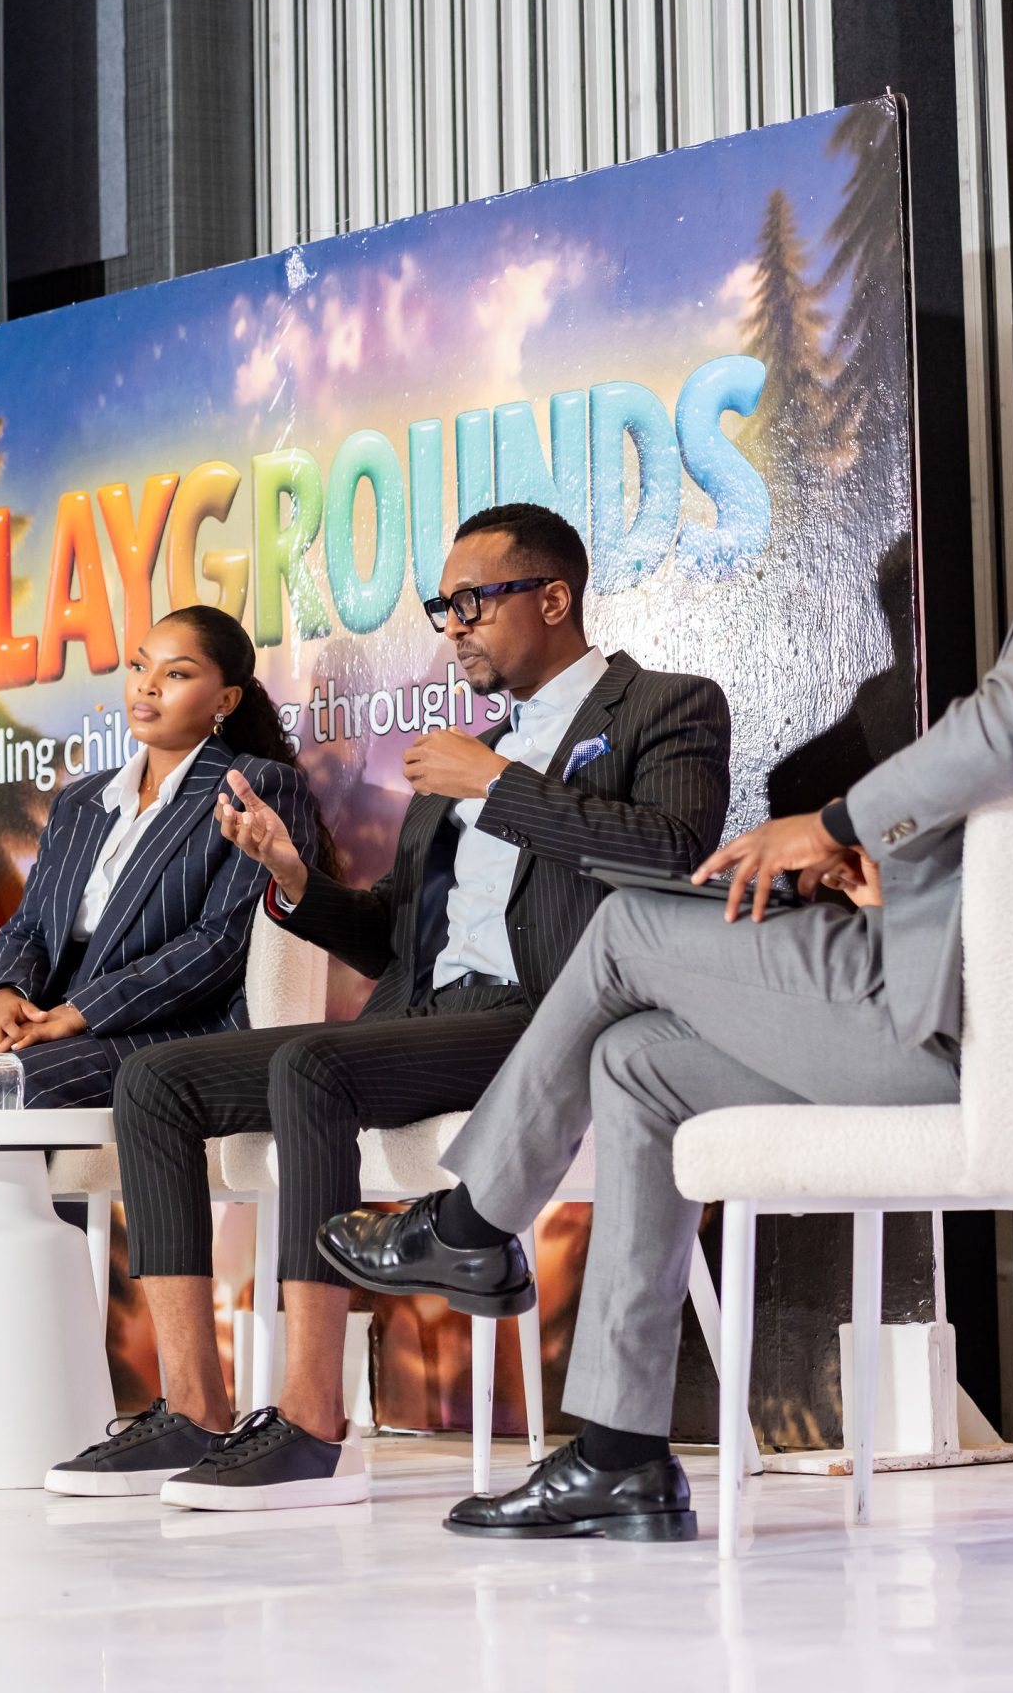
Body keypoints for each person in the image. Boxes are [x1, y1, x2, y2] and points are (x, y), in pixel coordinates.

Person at [319, 356, 1013, 1540]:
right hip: (975, 1000)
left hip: (956, 1025)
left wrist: (830, 825)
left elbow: (1006, 732)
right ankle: (617, 1454)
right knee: (634, 1063)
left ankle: (469, 1226)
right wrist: (883, 866)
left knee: (626, 926)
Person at [54, 502, 733, 1511]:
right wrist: (296, 880)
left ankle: (311, 1422)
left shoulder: (663, 707)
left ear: (553, 600)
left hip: (554, 1021)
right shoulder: (462, 756)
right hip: (431, 1018)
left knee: (313, 1065)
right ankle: (193, 1406)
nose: (453, 626)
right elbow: (398, 940)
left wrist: (497, 784)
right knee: (154, 1083)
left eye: (474, 602)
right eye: (442, 607)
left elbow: (673, 855)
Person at [0, 604, 322, 1468]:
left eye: (177, 673)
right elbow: (31, 926)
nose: (147, 686)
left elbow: (219, 946)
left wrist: (80, 1012)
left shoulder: (255, 786)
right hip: (46, 1020)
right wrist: (4, 994)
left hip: (162, 1029)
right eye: (140, 665)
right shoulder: (84, 799)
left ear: (225, 698)